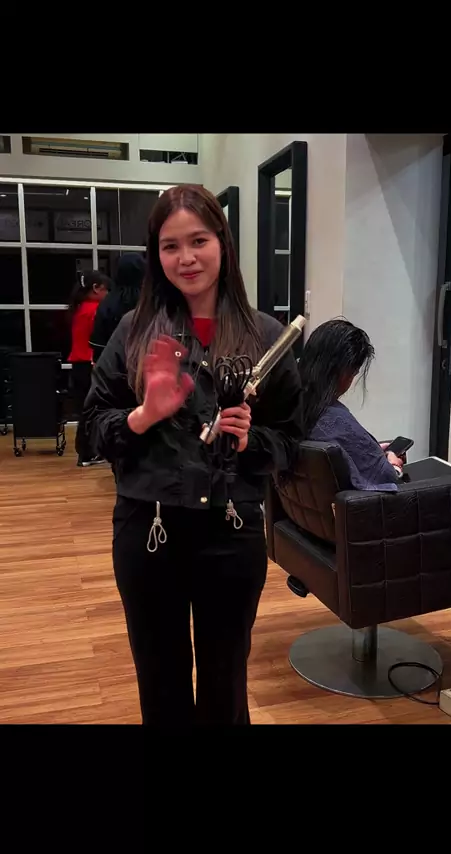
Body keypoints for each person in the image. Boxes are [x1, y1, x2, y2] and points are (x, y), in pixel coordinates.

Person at [84, 184, 303, 725]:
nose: (186, 257)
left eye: (199, 241)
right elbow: (90, 430)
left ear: (222, 243)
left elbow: (291, 442)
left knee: (225, 687)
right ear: (156, 254)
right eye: (170, 246)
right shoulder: (134, 333)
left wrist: (251, 440)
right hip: (147, 530)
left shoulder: (265, 336)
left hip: (232, 535)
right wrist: (143, 416)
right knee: (160, 685)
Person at [298, 318, 404, 491]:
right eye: (354, 373)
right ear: (344, 372)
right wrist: (393, 464)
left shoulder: (292, 410)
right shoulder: (335, 421)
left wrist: (372, 451)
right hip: (369, 506)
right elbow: (387, 476)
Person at [68, 269, 111, 467]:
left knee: (84, 410)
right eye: (105, 289)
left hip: (78, 364)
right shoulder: (94, 310)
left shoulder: (79, 309)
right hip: (89, 364)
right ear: (95, 289)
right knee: (91, 410)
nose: (107, 294)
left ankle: (87, 452)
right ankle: (88, 453)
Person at [90, 253, 146, 364]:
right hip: (145, 363)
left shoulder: (108, 302)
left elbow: (99, 343)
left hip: (114, 364)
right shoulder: (149, 301)